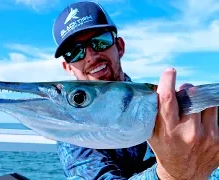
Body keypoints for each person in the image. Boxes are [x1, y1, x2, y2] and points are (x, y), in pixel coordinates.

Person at [52, 1, 219, 179]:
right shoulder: (71, 133)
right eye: (75, 52)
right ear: (67, 66)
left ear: (120, 47)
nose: (91, 56)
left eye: (100, 41)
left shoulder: (164, 102)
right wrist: (172, 173)